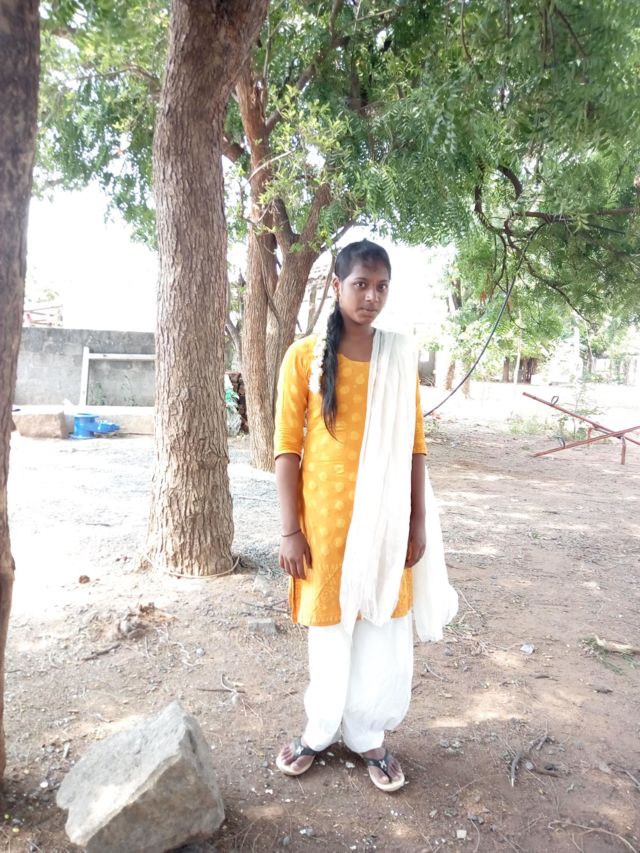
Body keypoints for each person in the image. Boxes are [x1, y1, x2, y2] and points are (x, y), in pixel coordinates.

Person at [273, 239, 456, 793]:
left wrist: (417, 523)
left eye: (381, 287)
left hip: (387, 519)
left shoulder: (398, 357)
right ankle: (318, 731)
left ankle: (367, 736)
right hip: (324, 523)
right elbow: (286, 449)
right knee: (330, 628)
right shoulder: (304, 356)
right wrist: (290, 530)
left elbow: (415, 446)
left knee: (380, 625)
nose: (371, 297)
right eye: (360, 285)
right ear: (337, 285)